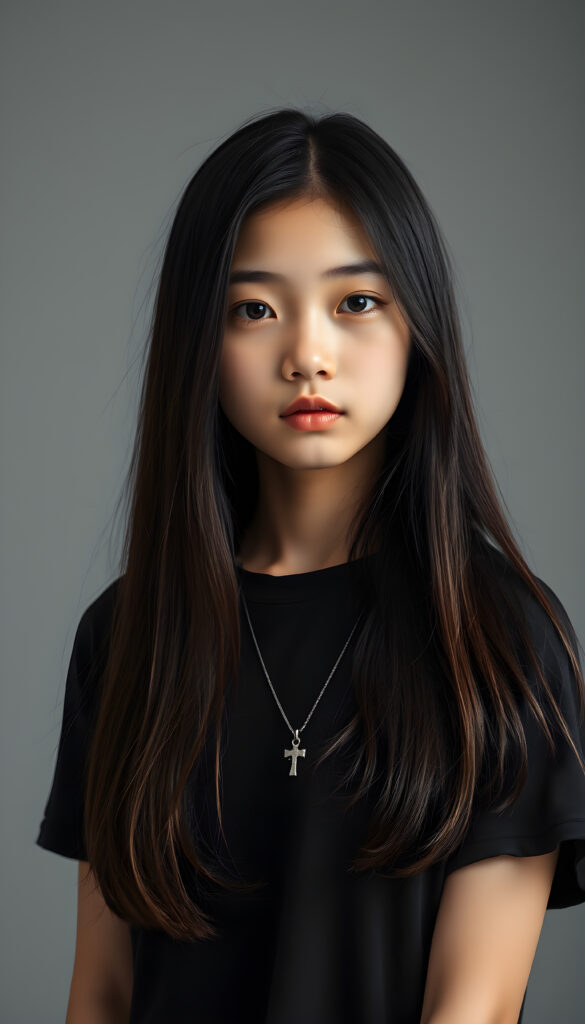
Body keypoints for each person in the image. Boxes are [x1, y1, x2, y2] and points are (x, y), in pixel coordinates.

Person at [36, 107, 585, 1024]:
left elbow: (474, 1007)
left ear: (418, 329)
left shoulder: (497, 636)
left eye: (356, 303)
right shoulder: (127, 634)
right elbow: (101, 991)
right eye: (253, 309)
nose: (306, 356)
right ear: (198, 346)